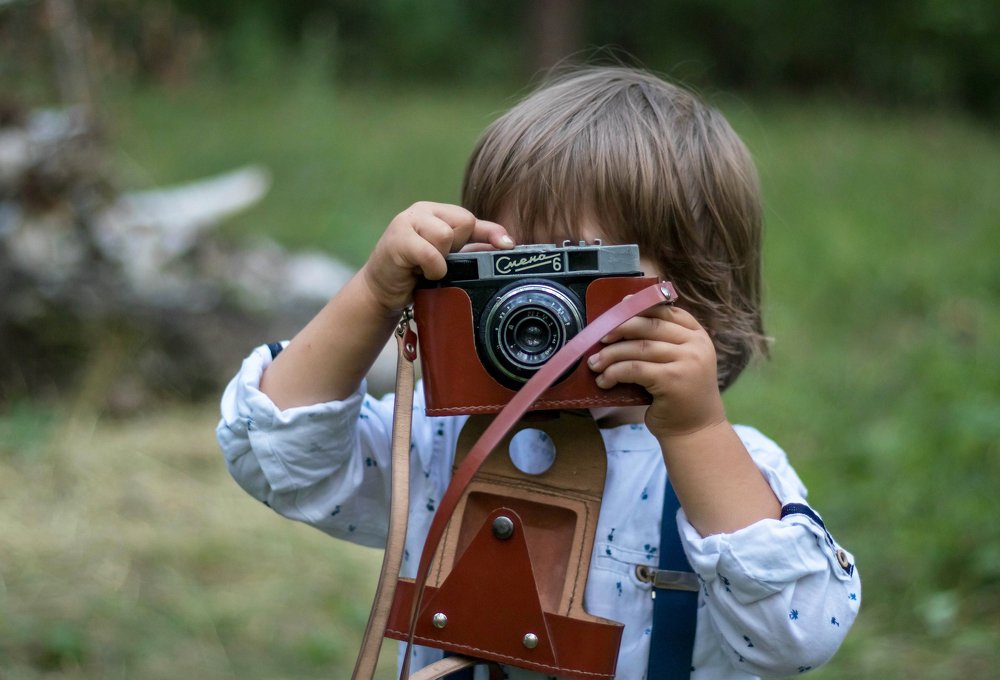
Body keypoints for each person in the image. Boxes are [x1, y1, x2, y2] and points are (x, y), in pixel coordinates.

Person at [217, 66, 860, 679]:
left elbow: (793, 638)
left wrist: (694, 434)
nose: (537, 298)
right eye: (509, 264)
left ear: (692, 294)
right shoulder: (442, 442)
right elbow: (281, 458)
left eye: (575, 266)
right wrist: (372, 296)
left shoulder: (733, 471)